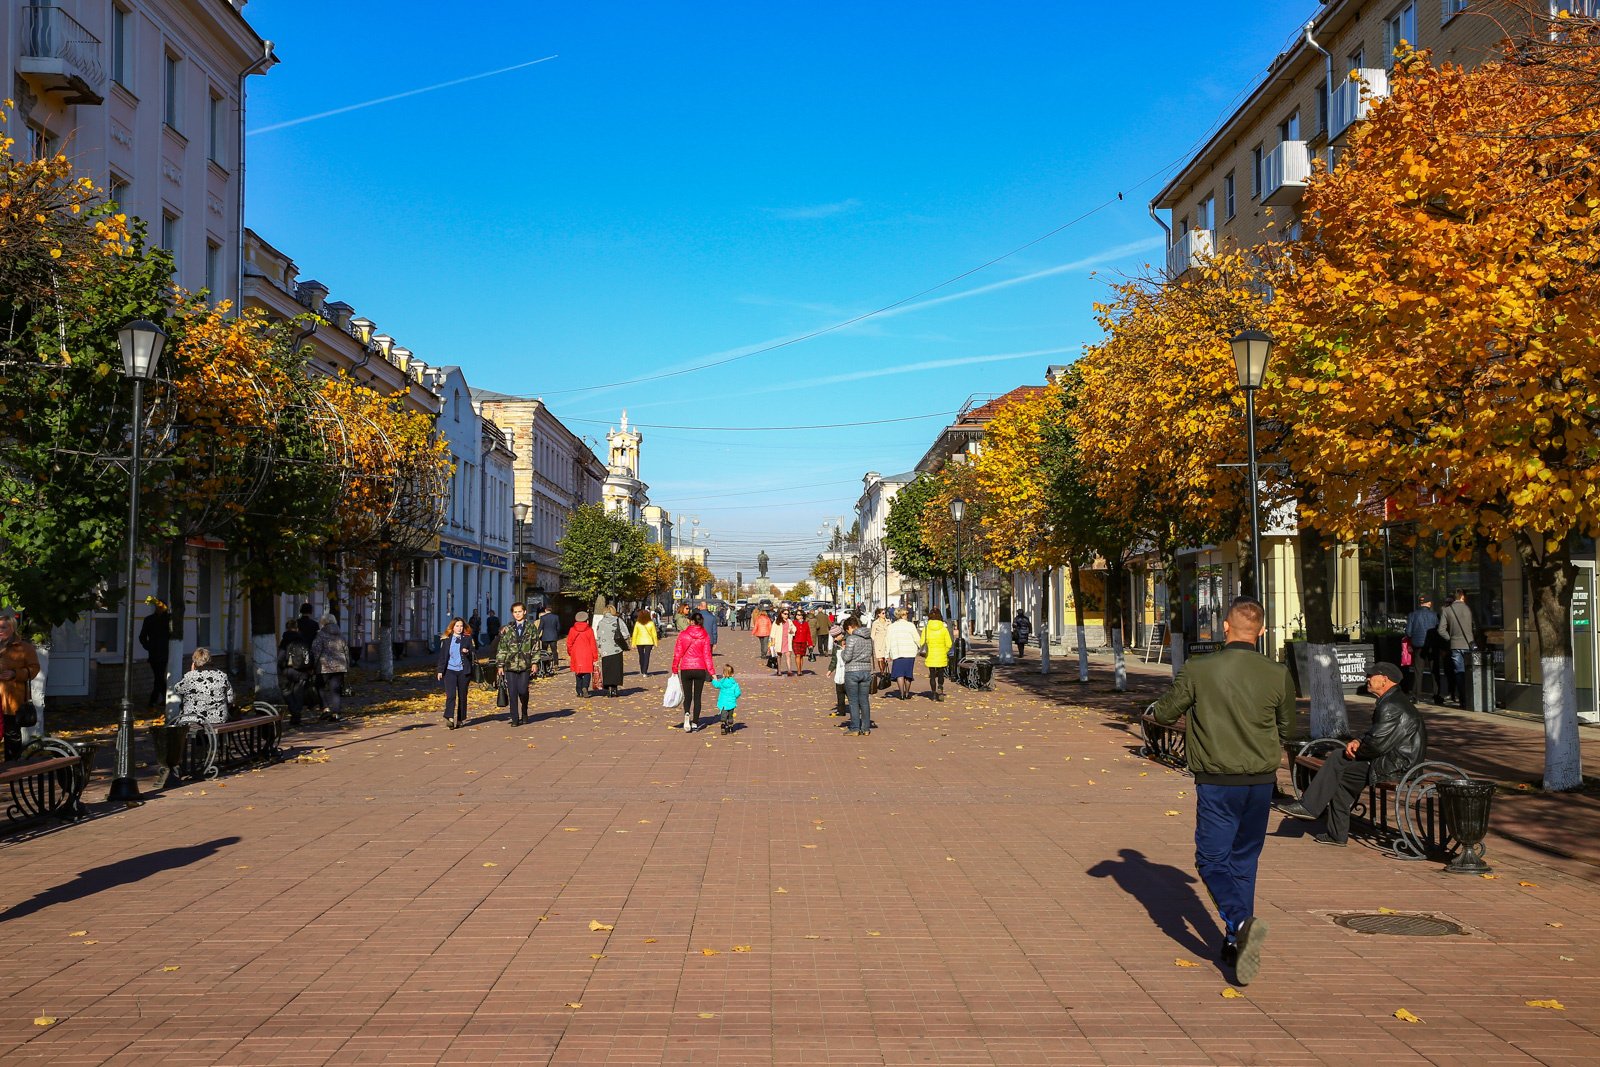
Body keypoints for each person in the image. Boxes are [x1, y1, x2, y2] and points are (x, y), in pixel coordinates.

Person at [1150, 598, 1295, 986]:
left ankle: (1241, 920)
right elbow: (1288, 728)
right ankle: (1235, 940)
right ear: (1262, 632)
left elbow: (1163, 713)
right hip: (1261, 781)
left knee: (1212, 860)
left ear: (1225, 628)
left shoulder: (1200, 669)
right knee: (1244, 860)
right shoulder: (1277, 672)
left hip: (1218, 780)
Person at [1275, 662, 1427, 845]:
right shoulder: (1391, 701)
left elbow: (1376, 744)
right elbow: (1377, 733)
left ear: (1385, 679)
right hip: (1394, 759)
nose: (1367, 679)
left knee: (1338, 759)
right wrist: (1358, 741)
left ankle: (1309, 807)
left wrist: (1357, 751)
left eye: (1371, 676)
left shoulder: (1391, 705)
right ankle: (1335, 833)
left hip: (1399, 765)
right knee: (1340, 776)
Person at [0, 608, 42, 760]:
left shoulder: (24, 648)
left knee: (12, 735)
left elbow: (34, 668)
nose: (0, 630)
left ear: (12, 628)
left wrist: (15, 674)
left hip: (12, 700)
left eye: (3, 627)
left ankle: (12, 766)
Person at [672, 610, 716, 732]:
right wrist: (712, 672)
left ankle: (687, 714)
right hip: (700, 669)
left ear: (691, 621)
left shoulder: (683, 635)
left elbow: (678, 653)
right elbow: (707, 655)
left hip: (686, 668)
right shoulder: (705, 635)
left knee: (688, 696)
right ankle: (695, 722)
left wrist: (675, 668)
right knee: (697, 697)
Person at [496, 602, 538, 726]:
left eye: (519, 611)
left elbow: (535, 646)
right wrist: (500, 665)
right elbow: (502, 648)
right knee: (512, 692)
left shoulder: (531, 628)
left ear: (524, 612)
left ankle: (524, 710)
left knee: (523, 690)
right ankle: (515, 718)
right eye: (515, 612)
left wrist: (535, 662)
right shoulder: (507, 629)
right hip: (510, 665)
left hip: (525, 665)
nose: (517, 614)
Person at [171, 647, 234, 727]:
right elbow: (230, 699)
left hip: (193, 720)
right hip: (218, 719)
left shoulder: (190, 677)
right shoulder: (222, 675)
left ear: (194, 662)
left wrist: (192, 672)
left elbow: (177, 689)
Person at [435, 617, 474, 728]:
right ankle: (449, 717)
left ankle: (460, 719)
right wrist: (440, 671)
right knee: (451, 695)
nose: (459, 628)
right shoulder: (446, 639)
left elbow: (474, 653)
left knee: (462, 696)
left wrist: (467, 652)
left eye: (461, 626)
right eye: (457, 626)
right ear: (452, 627)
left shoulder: (467, 638)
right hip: (450, 671)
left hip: (463, 671)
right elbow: (442, 656)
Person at [1438, 589, 1475, 707]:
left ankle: (1463, 699)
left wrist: (1450, 638)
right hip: (1469, 644)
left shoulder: (1447, 610)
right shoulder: (1469, 609)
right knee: (1471, 672)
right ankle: (1471, 698)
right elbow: (1475, 626)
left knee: (1459, 672)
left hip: (1455, 645)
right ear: (1463, 596)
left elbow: (1441, 630)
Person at [840, 616, 875, 736]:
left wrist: (843, 651)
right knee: (864, 701)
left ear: (850, 627)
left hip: (852, 671)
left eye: (846, 630)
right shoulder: (869, 638)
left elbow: (847, 657)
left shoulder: (852, 639)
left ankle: (855, 727)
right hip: (866, 670)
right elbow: (870, 654)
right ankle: (865, 728)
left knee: (853, 701)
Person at [310, 614, 349, 722]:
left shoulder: (321, 634)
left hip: (324, 667)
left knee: (319, 686)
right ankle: (336, 714)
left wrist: (313, 665)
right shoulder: (340, 634)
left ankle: (325, 709)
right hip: (340, 666)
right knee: (335, 690)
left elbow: (316, 651)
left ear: (323, 622)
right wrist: (347, 665)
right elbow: (346, 650)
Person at [276, 624, 315, 726]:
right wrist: (310, 669)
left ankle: (294, 713)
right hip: (302, 672)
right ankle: (296, 715)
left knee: (286, 692)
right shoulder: (303, 640)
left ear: (286, 628)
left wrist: (282, 667)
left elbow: (280, 658)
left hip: (287, 671)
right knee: (299, 694)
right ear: (297, 629)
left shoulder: (284, 641)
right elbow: (310, 656)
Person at [1404, 595, 1442, 699]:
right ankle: (1437, 695)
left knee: (1418, 671)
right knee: (1434, 670)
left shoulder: (1412, 615)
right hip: (1432, 646)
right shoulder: (1435, 615)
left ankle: (1416, 695)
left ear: (1420, 603)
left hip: (1418, 646)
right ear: (1429, 603)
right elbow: (1440, 631)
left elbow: (1408, 632)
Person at [138, 598, 171, 711]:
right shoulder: (149, 620)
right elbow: (142, 637)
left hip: (165, 653)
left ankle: (153, 700)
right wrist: (149, 647)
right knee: (159, 677)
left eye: (161, 607)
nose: (159, 609)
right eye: (158, 607)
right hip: (154, 654)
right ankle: (166, 698)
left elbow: (174, 636)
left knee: (159, 676)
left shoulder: (169, 620)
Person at [594, 605, 630, 698]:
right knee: (616, 669)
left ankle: (609, 688)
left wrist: (599, 648)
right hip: (616, 649)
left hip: (605, 650)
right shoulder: (618, 620)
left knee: (607, 669)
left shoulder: (601, 622)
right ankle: (615, 689)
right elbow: (626, 634)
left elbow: (598, 637)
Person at [886, 607, 922, 701]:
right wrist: (919, 647)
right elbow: (917, 638)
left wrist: (887, 654)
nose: (907, 616)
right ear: (901, 615)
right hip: (910, 652)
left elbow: (888, 641)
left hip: (897, 652)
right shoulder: (910, 625)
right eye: (905, 614)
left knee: (899, 674)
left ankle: (901, 694)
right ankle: (907, 693)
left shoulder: (891, 627)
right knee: (908, 674)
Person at [921, 607, 954, 701]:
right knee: (940, 673)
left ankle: (934, 695)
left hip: (931, 654)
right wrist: (945, 650)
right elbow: (949, 643)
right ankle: (940, 686)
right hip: (941, 654)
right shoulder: (943, 629)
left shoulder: (926, 629)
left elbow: (922, 641)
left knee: (932, 675)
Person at [567, 612, 599, 699]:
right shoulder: (589, 630)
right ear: (587, 620)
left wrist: (570, 652)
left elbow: (569, 643)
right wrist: (595, 657)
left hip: (576, 653)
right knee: (587, 671)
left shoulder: (572, 630)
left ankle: (579, 690)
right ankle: (585, 687)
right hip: (587, 653)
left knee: (578, 672)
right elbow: (593, 644)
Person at [711, 664, 741, 733]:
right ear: (732, 674)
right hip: (731, 703)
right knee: (730, 716)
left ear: (723, 674)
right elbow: (738, 693)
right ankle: (730, 727)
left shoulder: (722, 682)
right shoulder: (734, 684)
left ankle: (723, 726)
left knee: (723, 715)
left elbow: (716, 685)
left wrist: (713, 680)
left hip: (723, 703)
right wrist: (734, 697)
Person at [829, 622, 850, 716]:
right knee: (839, 690)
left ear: (841, 634)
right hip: (839, 670)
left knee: (849, 690)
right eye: (833, 637)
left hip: (848, 670)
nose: (834, 638)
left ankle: (855, 708)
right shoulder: (836, 644)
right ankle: (841, 710)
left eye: (835, 636)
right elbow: (834, 658)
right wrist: (830, 669)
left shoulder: (849, 640)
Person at [631, 608, 659, 677]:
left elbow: (635, 634)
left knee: (641, 656)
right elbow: (654, 634)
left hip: (639, 641)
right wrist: (655, 643)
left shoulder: (637, 623)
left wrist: (633, 643)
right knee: (647, 656)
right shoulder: (651, 623)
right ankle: (645, 672)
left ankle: (642, 669)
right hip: (649, 642)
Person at [772, 608, 798, 676]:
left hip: (787, 640)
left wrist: (792, 631)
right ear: (781, 614)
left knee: (788, 655)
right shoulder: (776, 622)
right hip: (779, 641)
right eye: (785, 614)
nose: (786, 615)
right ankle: (779, 670)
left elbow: (794, 628)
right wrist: (772, 644)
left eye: (787, 614)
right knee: (779, 656)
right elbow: (773, 633)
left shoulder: (789, 621)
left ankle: (789, 671)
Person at [537, 604, 562, 670]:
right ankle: (556, 664)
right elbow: (558, 627)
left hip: (545, 637)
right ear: (551, 610)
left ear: (545, 610)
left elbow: (540, 627)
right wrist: (557, 634)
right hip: (553, 636)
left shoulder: (543, 618)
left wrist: (537, 635)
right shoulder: (556, 617)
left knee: (544, 651)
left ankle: (545, 665)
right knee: (554, 651)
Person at [870, 608, 892, 680]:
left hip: (887, 641)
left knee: (885, 658)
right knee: (880, 658)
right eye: (883, 613)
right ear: (878, 614)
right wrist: (872, 643)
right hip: (879, 642)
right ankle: (882, 673)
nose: (884, 614)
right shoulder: (875, 623)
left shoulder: (888, 621)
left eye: (885, 613)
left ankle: (884, 671)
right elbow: (872, 634)